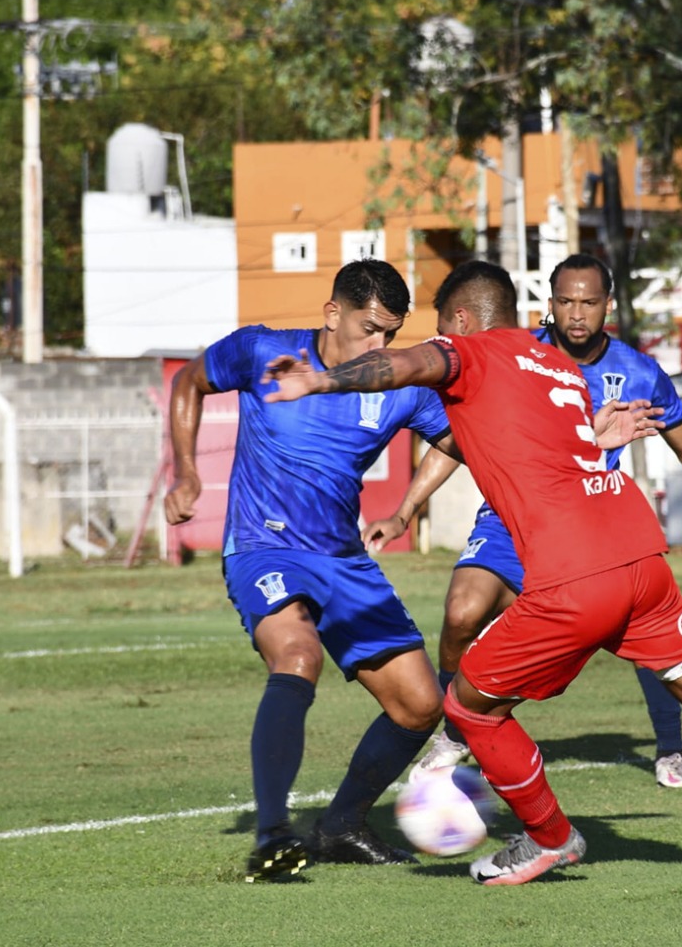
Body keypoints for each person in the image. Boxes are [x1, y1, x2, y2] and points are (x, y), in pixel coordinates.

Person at [263, 260, 682, 888]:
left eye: (442, 324)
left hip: (572, 575)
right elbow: (535, 443)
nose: (434, 337)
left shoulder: (468, 350)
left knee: (468, 705)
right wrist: (598, 438)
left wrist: (323, 378)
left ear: (463, 320)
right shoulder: (555, 367)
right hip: (639, 558)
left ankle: (549, 839)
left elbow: (403, 366)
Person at [366, 253, 682, 789]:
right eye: (565, 301)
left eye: (589, 302)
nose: (576, 314)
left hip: (592, 529)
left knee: (642, 632)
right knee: (461, 612)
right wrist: (405, 510)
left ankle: (669, 748)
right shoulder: (517, 352)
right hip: (513, 520)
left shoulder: (639, 371)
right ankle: (458, 728)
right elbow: (457, 440)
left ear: (608, 306)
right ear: (548, 305)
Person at [164, 259, 462, 882]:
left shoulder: (399, 385)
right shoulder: (263, 351)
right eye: (370, 329)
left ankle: (341, 826)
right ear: (332, 315)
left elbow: (463, 441)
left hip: (343, 560)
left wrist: (409, 507)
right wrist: (187, 472)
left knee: (419, 704)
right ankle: (272, 834)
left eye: (392, 333)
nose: (380, 346)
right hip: (263, 548)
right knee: (298, 656)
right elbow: (189, 382)